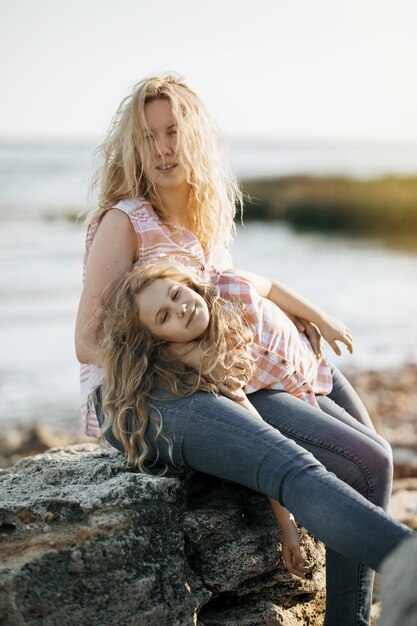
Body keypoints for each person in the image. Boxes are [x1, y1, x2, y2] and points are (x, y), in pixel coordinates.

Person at [75, 73, 413, 626]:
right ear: (134, 147)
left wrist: (308, 315)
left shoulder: (207, 221)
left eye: (173, 132)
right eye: (149, 137)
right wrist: (185, 361)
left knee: (373, 458)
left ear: (195, 137)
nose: (162, 149)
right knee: (335, 461)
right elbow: (86, 341)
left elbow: (242, 287)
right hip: (143, 395)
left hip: (233, 373)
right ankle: (407, 563)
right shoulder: (125, 220)